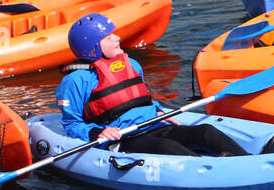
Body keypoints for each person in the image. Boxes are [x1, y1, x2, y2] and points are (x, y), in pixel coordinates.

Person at [59, 14, 252, 156]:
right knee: (167, 148)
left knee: (206, 132)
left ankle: (248, 161)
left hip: (153, 125)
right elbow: (71, 123)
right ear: (92, 47)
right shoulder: (75, 81)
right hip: (125, 138)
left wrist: (158, 111)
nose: (117, 38)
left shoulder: (132, 64)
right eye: (109, 37)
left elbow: (140, 99)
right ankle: (220, 173)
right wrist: (97, 132)